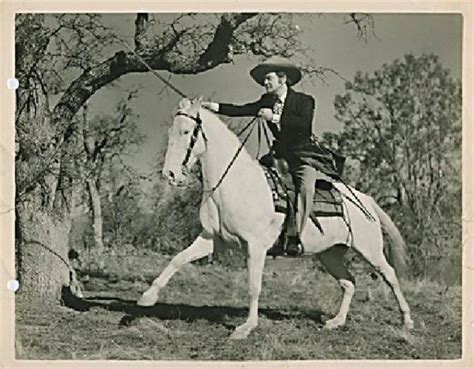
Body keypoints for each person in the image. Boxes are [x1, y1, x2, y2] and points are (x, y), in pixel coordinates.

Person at [202, 56, 341, 256]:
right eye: (264, 80)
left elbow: (303, 126)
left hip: (303, 156)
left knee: (306, 189)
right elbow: (242, 109)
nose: (265, 83)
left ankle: (295, 237)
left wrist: (274, 117)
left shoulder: (305, 101)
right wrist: (212, 106)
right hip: (279, 156)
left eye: (268, 79)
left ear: (282, 79)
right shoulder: (266, 101)